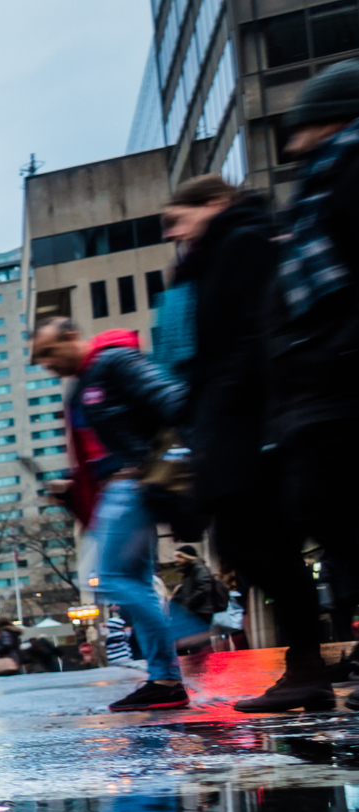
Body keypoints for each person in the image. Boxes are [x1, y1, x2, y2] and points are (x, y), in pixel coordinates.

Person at [160, 176, 326, 710]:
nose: (173, 233)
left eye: (178, 219)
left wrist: (223, 399)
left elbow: (254, 333)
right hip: (232, 421)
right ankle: (305, 667)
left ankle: (307, 667)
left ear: (215, 203)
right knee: (252, 547)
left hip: (252, 422)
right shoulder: (209, 259)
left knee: (266, 545)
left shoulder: (244, 240)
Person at [31, 317, 190, 712]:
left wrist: (181, 449)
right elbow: (99, 449)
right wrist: (72, 485)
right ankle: (165, 678)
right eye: (39, 359)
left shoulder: (115, 361)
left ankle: (184, 637)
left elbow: (169, 397)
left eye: (48, 352)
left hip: (133, 483)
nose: (46, 364)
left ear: (71, 336)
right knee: (132, 579)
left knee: (105, 576)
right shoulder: (82, 387)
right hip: (118, 486)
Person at [269, 61, 359, 706]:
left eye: (301, 121)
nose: (291, 134)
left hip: (339, 375)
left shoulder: (346, 172)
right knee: (330, 514)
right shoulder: (320, 182)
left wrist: (329, 352)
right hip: (323, 378)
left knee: (332, 510)